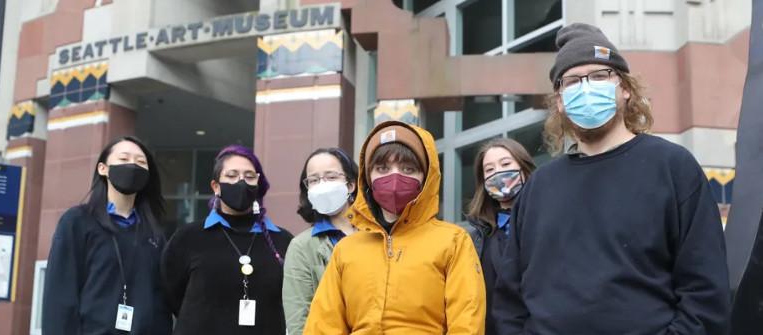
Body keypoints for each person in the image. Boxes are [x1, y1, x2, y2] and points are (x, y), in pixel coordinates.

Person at [493, 23, 730, 334]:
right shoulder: (538, 188)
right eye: (573, 81)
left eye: (600, 76)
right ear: (560, 101)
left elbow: (705, 294)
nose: (586, 87)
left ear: (625, 88)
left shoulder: (672, 168)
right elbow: (510, 301)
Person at [304, 121, 486, 334]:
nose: (394, 176)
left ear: (426, 177)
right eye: (382, 168)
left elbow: (467, 324)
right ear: (367, 177)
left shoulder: (454, 241)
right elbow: (323, 326)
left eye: (408, 168)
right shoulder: (346, 250)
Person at [43, 136, 172, 334]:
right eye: (123, 159)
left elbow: (160, 302)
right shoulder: (77, 221)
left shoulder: (154, 233)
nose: (132, 165)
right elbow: (60, 296)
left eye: (141, 162)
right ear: (103, 168)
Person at [161, 144, 293, 334]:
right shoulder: (188, 237)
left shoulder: (282, 241)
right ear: (216, 186)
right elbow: (172, 294)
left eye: (249, 176)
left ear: (257, 184)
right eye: (231, 176)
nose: (241, 182)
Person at [282, 148, 360, 335]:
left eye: (331, 177)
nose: (322, 185)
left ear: (351, 185)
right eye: (314, 180)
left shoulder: (377, 234)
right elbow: (299, 320)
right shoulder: (302, 246)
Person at [463, 137, 535, 335]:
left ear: (523, 166)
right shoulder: (477, 237)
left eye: (505, 164)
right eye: (489, 170)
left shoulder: (548, 220)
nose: (498, 173)